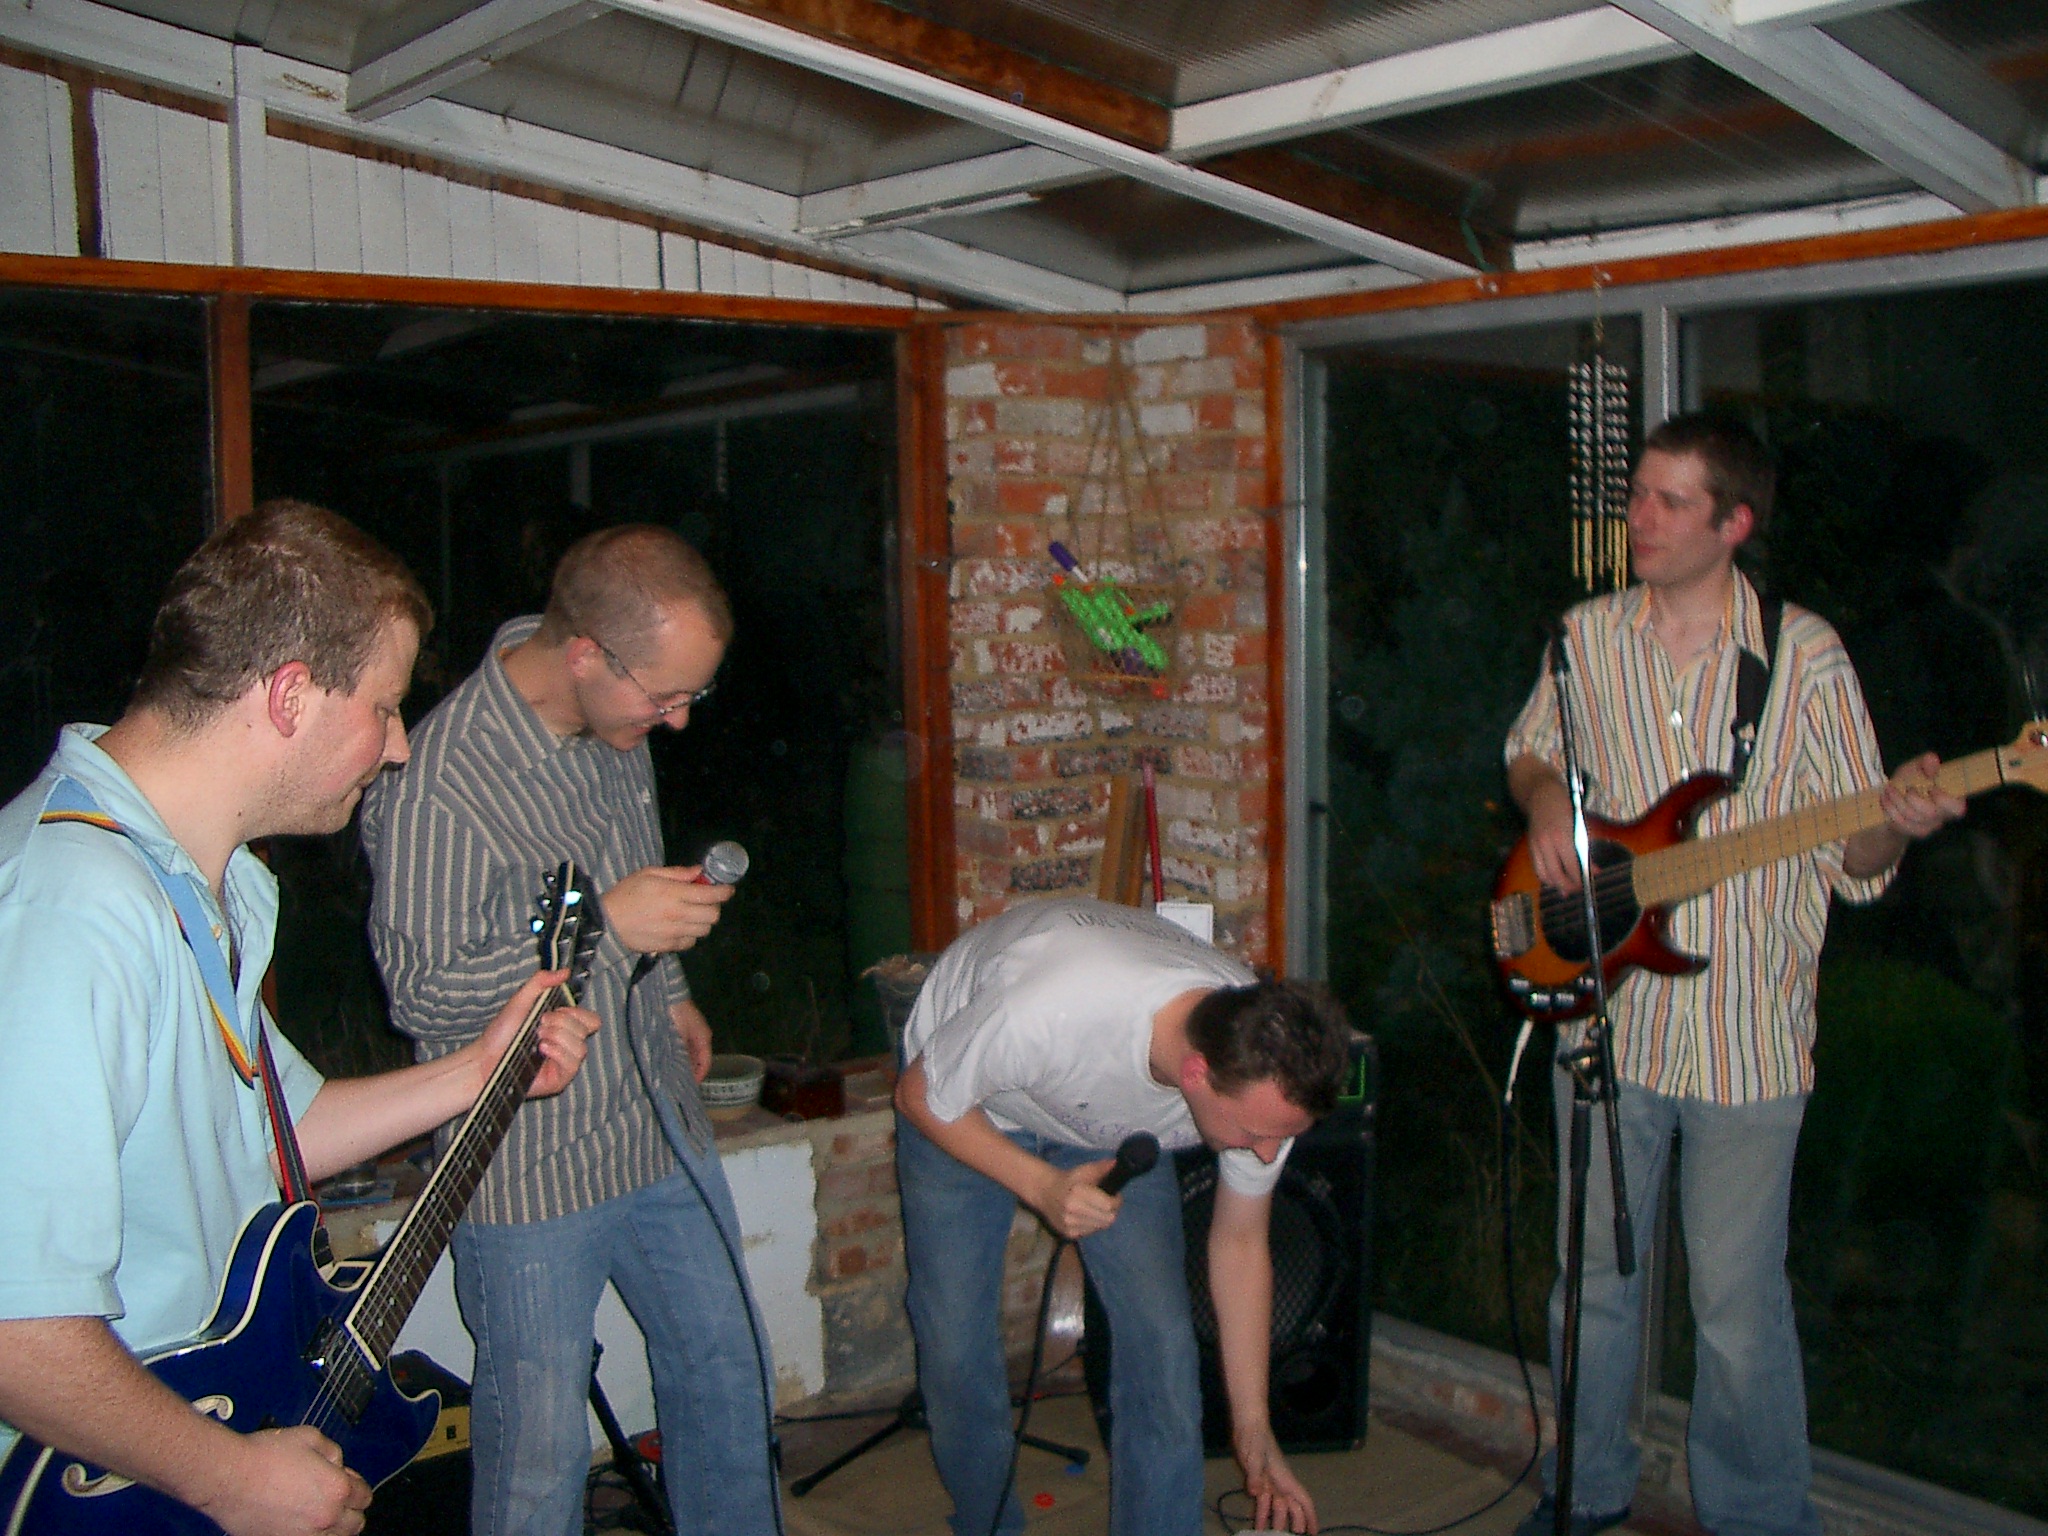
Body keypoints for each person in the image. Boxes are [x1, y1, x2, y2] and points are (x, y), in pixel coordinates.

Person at [0, 501, 600, 1536]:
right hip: (99, 1489)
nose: (399, 747)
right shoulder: (71, 910)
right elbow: (17, 1325)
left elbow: (281, 1130)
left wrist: (478, 1069)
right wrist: (227, 1478)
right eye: (385, 707)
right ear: (288, 696)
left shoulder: (204, 883)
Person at [1503, 414, 1966, 1536]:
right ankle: (1584, 1493)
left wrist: (1898, 825)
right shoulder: (1582, 637)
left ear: (1734, 523)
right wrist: (1542, 802)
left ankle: (1757, 1518)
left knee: (1737, 1312)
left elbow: (1854, 854)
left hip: (1745, 1039)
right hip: (1603, 1020)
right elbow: (1529, 747)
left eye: (1670, 502)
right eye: (1637, 495)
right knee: (1590, 1288)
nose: (1640, 518)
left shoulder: (1803, 657)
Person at [359, 524, 777, 1536]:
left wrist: (669, 987)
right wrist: (606, 928)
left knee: (729, 1379)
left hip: (654, 1123)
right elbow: (423, 994)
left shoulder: (613, 722)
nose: (678, 720)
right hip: (526, 1159)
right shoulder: (438, 781)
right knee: (539, 1457)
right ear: (586, 652)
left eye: (693, 694)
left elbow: (634, 864)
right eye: (665, 696)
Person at [894, 896, 1356, 1536]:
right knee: (954, 1341)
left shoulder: (1263, 1081)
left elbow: (1241, 1246)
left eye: (1279, 1138)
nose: (1265, 1153)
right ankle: (986, 1524)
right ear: (1195, 1074)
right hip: (965, 1100)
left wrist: (1255, 1427)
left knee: (1162, 1346)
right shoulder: (1048, 1006)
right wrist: (1043, 1187)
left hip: (1106, 1120)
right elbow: (917, 1095)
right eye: (1254, 1135)